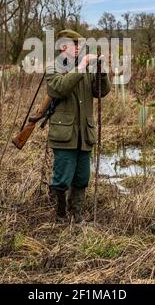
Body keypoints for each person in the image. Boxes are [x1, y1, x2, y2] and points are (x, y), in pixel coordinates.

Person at [45, 29, 111, 223]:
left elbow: (101, 92)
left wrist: (101, 71)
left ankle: (78, 215)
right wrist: (81, 66)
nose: (79, 48)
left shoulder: (87, 68)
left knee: (82, 177)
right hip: (64, 133)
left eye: (80, 45)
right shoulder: (53, 68)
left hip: (84, 132)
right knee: (62, 178)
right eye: (75, 45)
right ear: (63, 46)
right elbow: (60, 88)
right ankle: (60, 216)